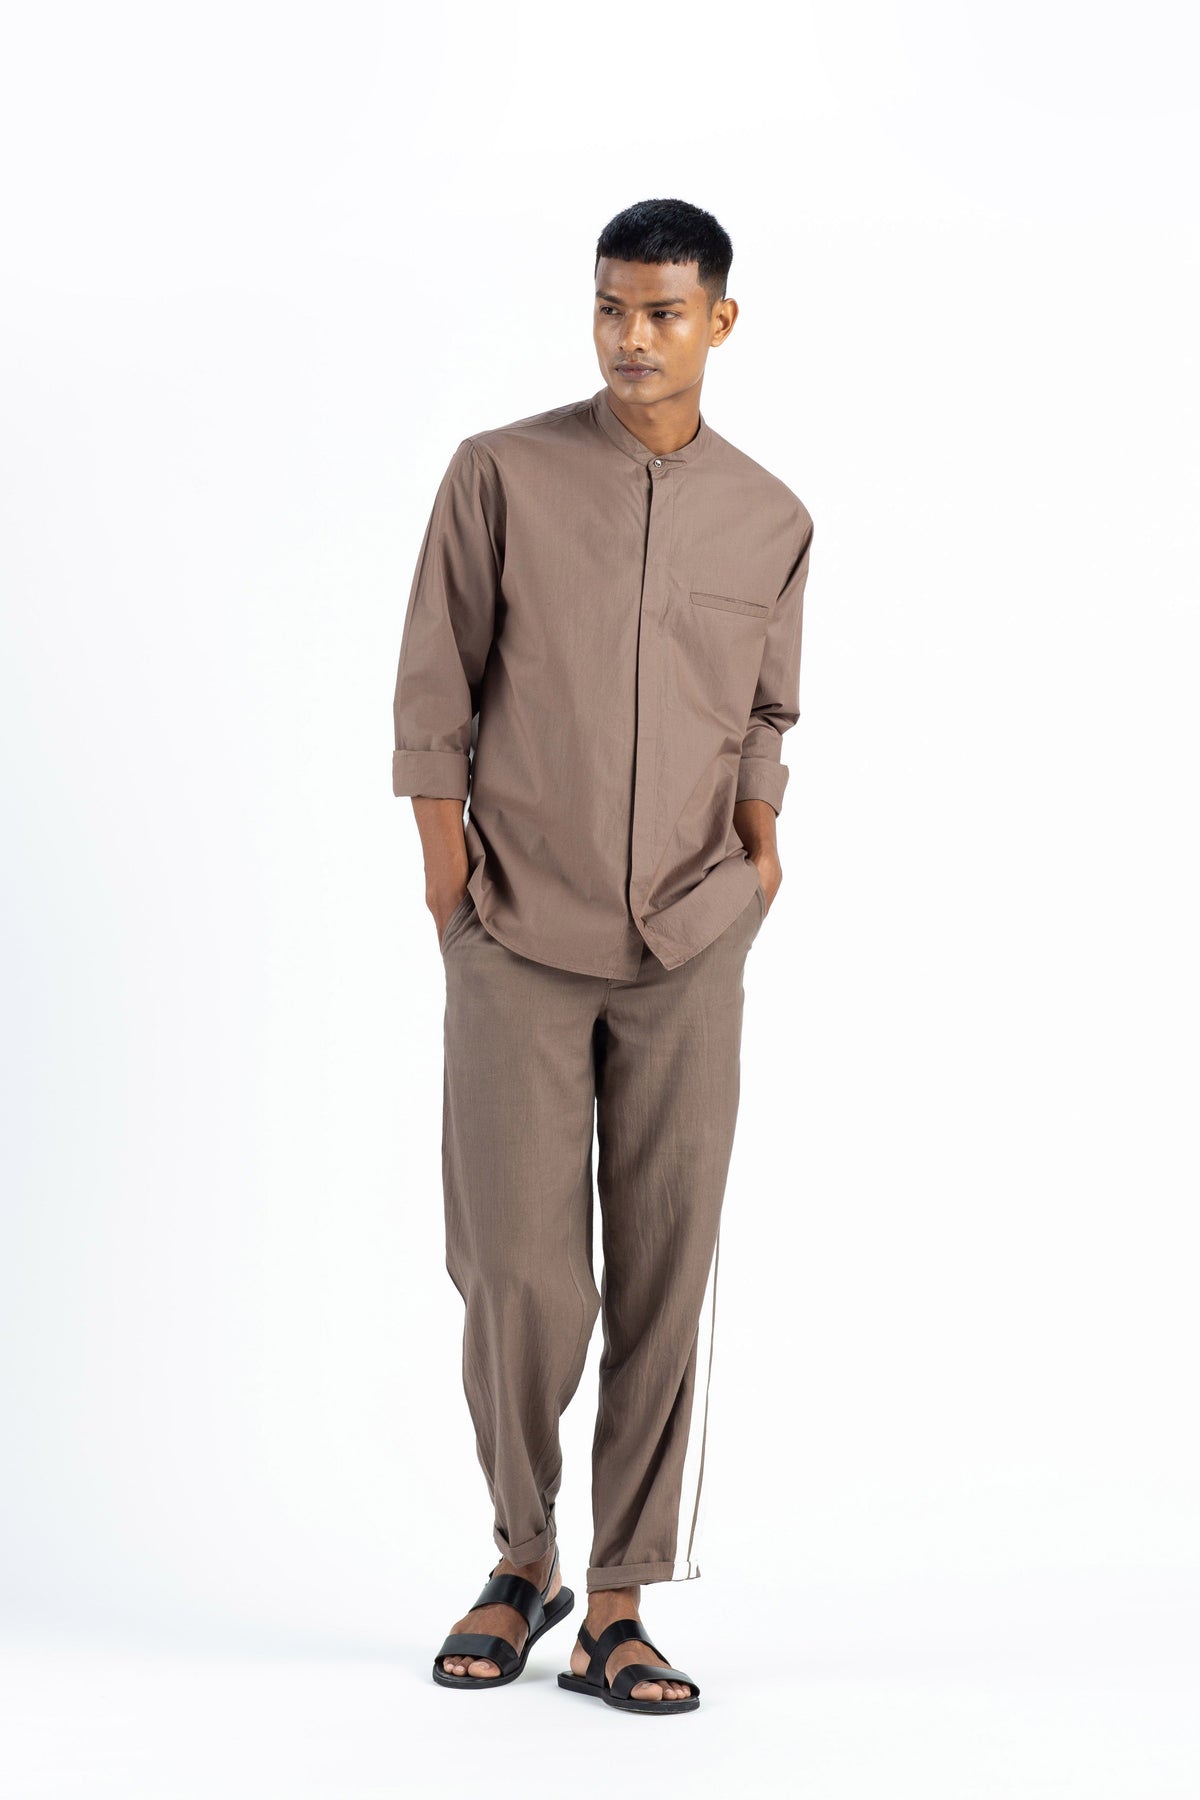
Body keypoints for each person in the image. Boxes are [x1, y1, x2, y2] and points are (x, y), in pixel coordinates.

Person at [392, 196, 814, 1716]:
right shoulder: (498, 473)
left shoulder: (770, 517)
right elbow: (434, 686)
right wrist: (451, 892)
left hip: (693, 935)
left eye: (662, 312)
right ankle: (524, 1556)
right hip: (516, 929)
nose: (631, 338)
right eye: (611, 309)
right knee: (517, 1268)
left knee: (665, 1266)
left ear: (719, 322)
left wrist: (758, 850)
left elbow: (764, 709)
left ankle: (618, 1603)